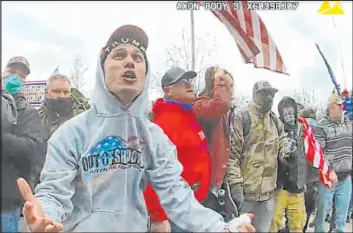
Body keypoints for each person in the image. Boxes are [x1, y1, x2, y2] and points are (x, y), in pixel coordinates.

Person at [17, 25, 255, 233]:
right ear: (102, 71)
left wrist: (220, 226)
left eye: (138, 58)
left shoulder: (154, 138)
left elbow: (178, 197)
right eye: (119, 55)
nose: (129, 61)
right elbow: (53, 194)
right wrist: (44, 216)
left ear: (145, 74)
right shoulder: (71, 134)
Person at [144, 67, 211, 232]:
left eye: (189, 80)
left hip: (193, 207)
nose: (189, 84)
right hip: (176, 215)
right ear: (168, 91)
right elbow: (152, 173)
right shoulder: (165, 123)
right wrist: (158, 217)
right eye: (182, 81)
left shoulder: (187, 116)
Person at [226, 80, 289, 232]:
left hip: (268, 195)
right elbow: (232, 156)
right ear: (255, 95)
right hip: (245, 195)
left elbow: (282, 141)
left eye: (272, 94)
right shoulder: (242, 118)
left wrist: (286, 150)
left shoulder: (275, 121)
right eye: (265, 93)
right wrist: (235, 186)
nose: (269, 98)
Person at [270, 97, 328, 233]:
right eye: (286, 112)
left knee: (298, 224)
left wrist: (311, 179)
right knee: (274, 223)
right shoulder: (276, 128)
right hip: (279, 186)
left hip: (298, 186)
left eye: (291, 112)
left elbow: (312, 153)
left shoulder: (304, 129)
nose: (289, 115)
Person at [1, 56, 46, 232]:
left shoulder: (29, 114)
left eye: (22, 75)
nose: (16, 78)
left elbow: (33, 149)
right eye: (12, 72)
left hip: (7, 200)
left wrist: (4, 138)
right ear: (3, 73)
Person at [193, 67, 234, 217]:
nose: (229, 89)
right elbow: (221, 104)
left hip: (217, 184)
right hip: (202, 186)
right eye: (223, 84)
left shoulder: (223, 113)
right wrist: (218, 79)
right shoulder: (200, 105)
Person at [315, 93, 352, 232]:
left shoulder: (348, 122)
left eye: (342, 105)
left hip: (346, 177)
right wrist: (329, 170)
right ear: (331, 108)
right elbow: (319, 152)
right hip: (328, 177)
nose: (342, 108)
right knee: (324, 214)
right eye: (338, 105)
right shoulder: (321, 126)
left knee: (341, 216)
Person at [38, 74, 87, 142]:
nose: (62, 96)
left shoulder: (82, 117)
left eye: (66, 92)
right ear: (46, 92)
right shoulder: (36, 118)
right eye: (56, 92)